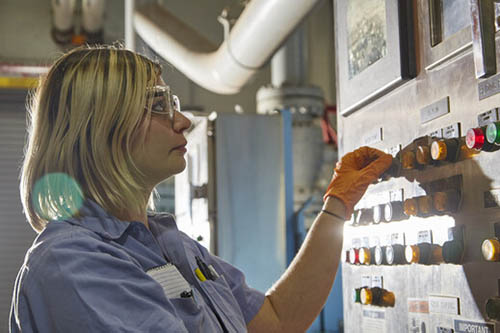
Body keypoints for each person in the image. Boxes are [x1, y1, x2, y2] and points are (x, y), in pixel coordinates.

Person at [10, 45, 392, 332]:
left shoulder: (169, 245)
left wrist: (338, 203)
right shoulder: (73, 265)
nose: (182, 120)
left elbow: (276, 321)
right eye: (157, 104)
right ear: (101, 128)